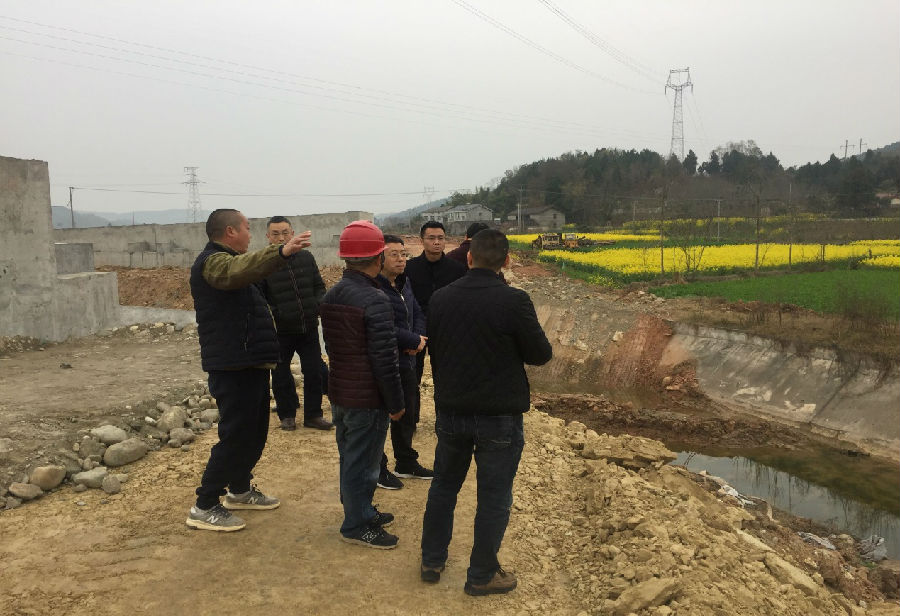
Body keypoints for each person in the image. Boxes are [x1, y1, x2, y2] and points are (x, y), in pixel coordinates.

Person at [420, 229, 552, 595]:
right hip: (499, 416)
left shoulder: (441, 298)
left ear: (468, 257)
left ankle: (431, 560)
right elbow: (540, 354)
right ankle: (481, 575)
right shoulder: (514, 300)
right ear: (507, 261)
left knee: (444, 486)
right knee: (494, 496)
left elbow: (436, 350)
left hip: (452, 411)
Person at [186, 208, 312, 532]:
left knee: (253, 433)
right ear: (230, 231)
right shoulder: (213, 262)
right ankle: (204, 504)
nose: (250, 233)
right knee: (235, 435)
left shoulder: (233, 261)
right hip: (232, 365)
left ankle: (239, 489)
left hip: (251, 362)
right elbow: (237, 270)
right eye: (246, 227)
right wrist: (280, 252)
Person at [320, 220, 405, 549]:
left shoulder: (332, 294)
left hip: (341, 391)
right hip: (367, 398)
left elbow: (334, 348)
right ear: (378, 257)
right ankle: (356, 525)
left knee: (351, 457)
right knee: (364, 463)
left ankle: (362, 511)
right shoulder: (375, 299)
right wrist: (395, 403)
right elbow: (384, 359)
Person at [259, 215, 333, 431]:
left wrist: (317, 305)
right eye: (275, 234)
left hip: (307, 326)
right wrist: (277, 314)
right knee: (280, 374)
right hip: (280, 331)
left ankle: (313, 415)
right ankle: (287, 415)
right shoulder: (264, 263)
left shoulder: (306, 257)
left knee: (314, 371)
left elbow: (318, 286)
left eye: (285, 233)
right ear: (268, 237)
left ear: (292, 234)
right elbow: (261, 298)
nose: (281, 238)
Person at [375, 235, 431, 490]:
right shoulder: (374, 288)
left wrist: (417, 338)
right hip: (386, 360)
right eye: (394, 254)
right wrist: (411, 339)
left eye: (403, 254)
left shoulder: (404, 282)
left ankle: (406, 461)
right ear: (379, 258)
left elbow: (417, 311)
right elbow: (382, 326)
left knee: (406, 412)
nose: (401, 259)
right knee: (382, 416)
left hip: (407, 359)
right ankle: (377, 467)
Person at [404, 221, 466, 384]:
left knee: (446, 376)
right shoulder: (409, 268)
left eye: (440, 238)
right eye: (431, 238)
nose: (436, 242)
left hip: (447, 329)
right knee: (412, 376)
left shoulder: (458, 270)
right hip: (416, 328)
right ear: (421, 241)